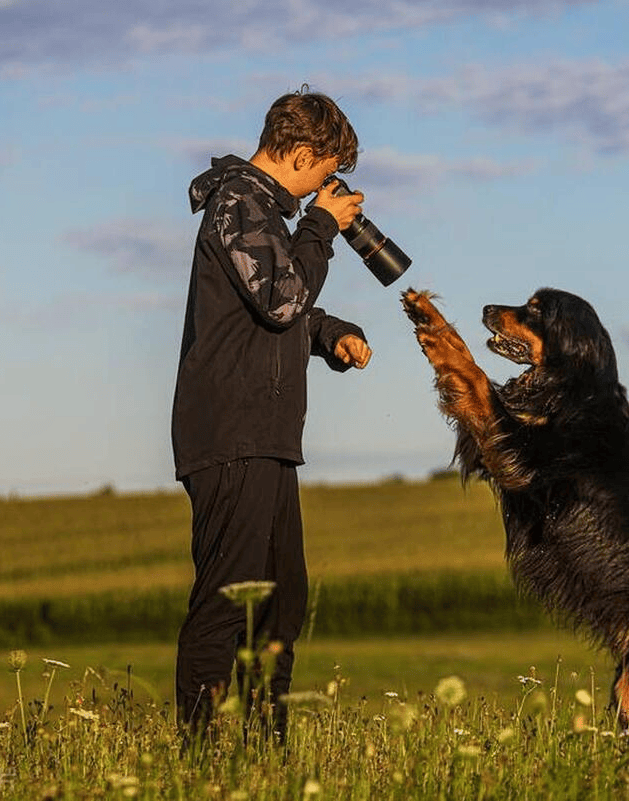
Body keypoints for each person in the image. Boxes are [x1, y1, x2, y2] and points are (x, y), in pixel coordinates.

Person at [171, 87, 372, 745]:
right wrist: (322, 227)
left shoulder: (259, 214)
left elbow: (282, 311)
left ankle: (264, 747)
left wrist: (332, 334)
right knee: (228, 599)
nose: (322, 190)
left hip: (267, 436)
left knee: (282, 601)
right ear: (304, 154)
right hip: (232, 432)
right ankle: (198, 756)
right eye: (323, 173)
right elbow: (282, 300)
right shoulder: (238, 203)